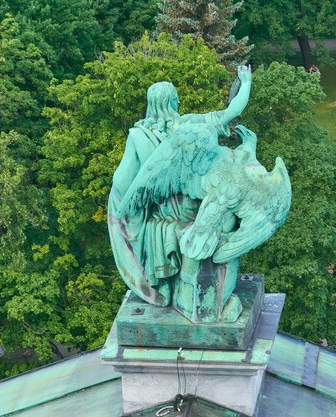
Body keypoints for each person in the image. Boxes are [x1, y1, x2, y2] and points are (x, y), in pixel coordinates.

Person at [108, 65, 253, 307]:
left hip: (163, 218)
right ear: (172, 103)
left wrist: (123, 207)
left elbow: (121, 181)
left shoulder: (138, 136)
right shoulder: (188, 127)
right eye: (176, 100)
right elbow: (230, 112)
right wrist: (245, 83)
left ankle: (166, 284)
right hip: (193, 211)